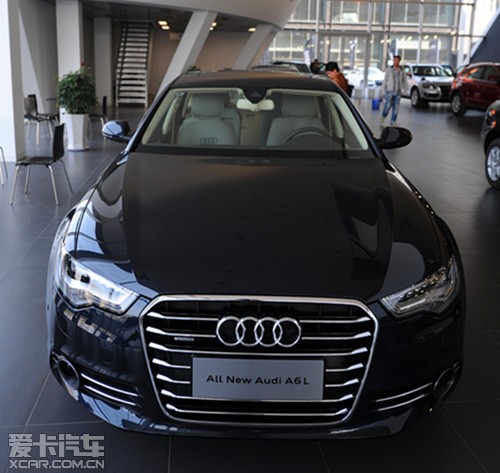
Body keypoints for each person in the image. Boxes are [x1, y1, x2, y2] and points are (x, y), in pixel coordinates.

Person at [380, 55, 408, 126]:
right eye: (394, 60)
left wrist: (405, 90)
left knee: (396, 107)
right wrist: (383, 91)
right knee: (388, 105)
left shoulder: (402, 70)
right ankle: (383, 116)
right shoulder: (389, 69)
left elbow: (404, 80)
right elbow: (385, 80)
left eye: (397, 60)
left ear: (399, 61)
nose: (396, 62)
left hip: (398, 92)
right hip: (389, 91)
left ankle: (393, 121)